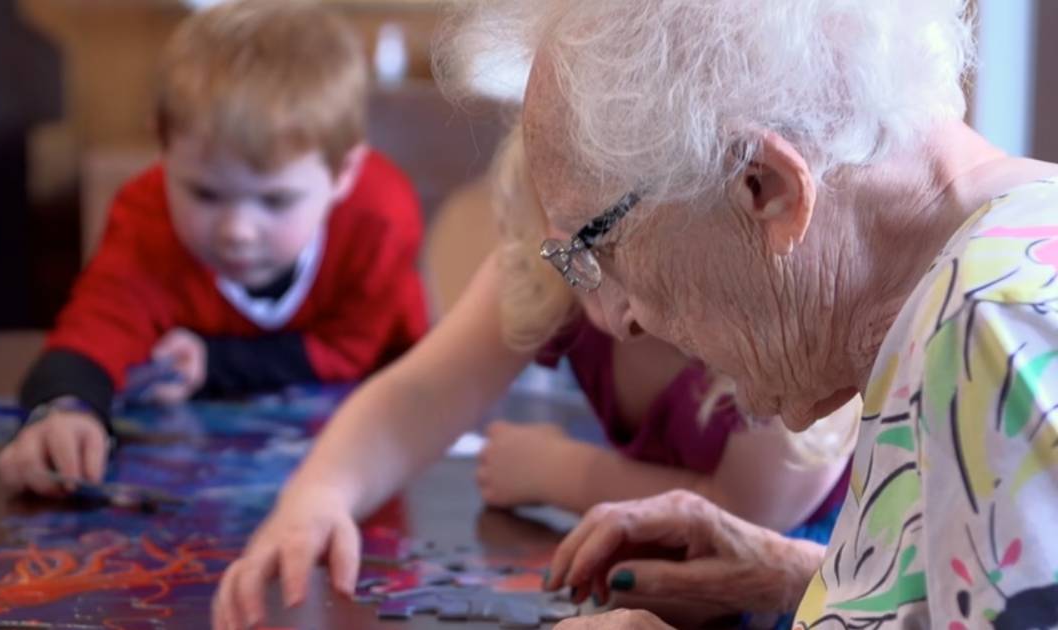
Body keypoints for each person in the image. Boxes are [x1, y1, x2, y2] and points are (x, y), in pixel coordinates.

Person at [433, 0, 1058, 627]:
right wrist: (800, 574)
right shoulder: (983, 275)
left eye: (598, 246)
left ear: (766, 188)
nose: (620, 315)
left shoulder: (994, 328)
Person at [209, 125, 856, 629]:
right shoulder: (561, 255)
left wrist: (561, 473)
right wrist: (318, 494)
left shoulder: (783, 298)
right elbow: (418, 395)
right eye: (569, 252)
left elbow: (746, 521)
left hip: (825, 587)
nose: (610, 306)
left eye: (607, 247)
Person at [0, 0, 426, 498]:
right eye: (205, 193)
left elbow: (353, 349)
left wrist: (214, 363)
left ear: (342, 175)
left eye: (275, 200)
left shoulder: (381, 216)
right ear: (163, 149)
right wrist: (64, 408)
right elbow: (94, 330)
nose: (238, 229)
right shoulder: (145, 216)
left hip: (372, 462)